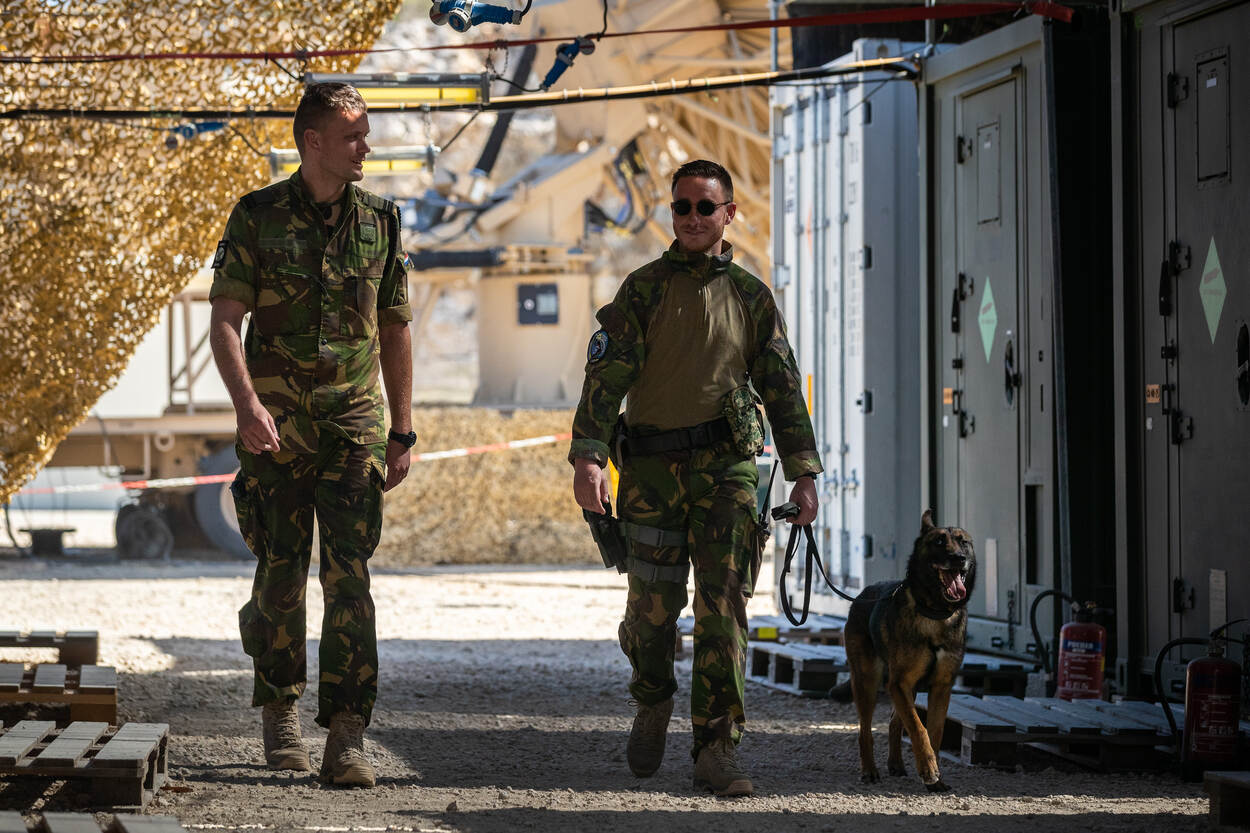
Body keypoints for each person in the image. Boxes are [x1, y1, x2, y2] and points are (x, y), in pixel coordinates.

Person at [569, 159, 822, 796]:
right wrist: (589, 457)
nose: (691, 218)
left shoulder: (751, 297)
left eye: (705, 207)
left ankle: (716, 747)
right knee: (651, 612)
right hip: (651, 473)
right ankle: (652, 700)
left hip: (727, 472)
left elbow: (782, 389)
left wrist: (803, 473)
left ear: (728, 214)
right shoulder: (643, 290)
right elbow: (606, 379)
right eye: (681, 206)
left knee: (723, 609)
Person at [208, 82, 415, 788]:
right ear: (313, 141)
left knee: (349, 576)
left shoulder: (381, 221)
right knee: (280, 573)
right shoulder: (257, 216)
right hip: (276, 430)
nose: (365, 147)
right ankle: (280, 710)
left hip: (353, 425)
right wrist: (246, 407)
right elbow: (225, 322)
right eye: (353, 135)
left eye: (366, 134)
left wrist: (403, 429)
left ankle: (348, 733)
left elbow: (395, 326)